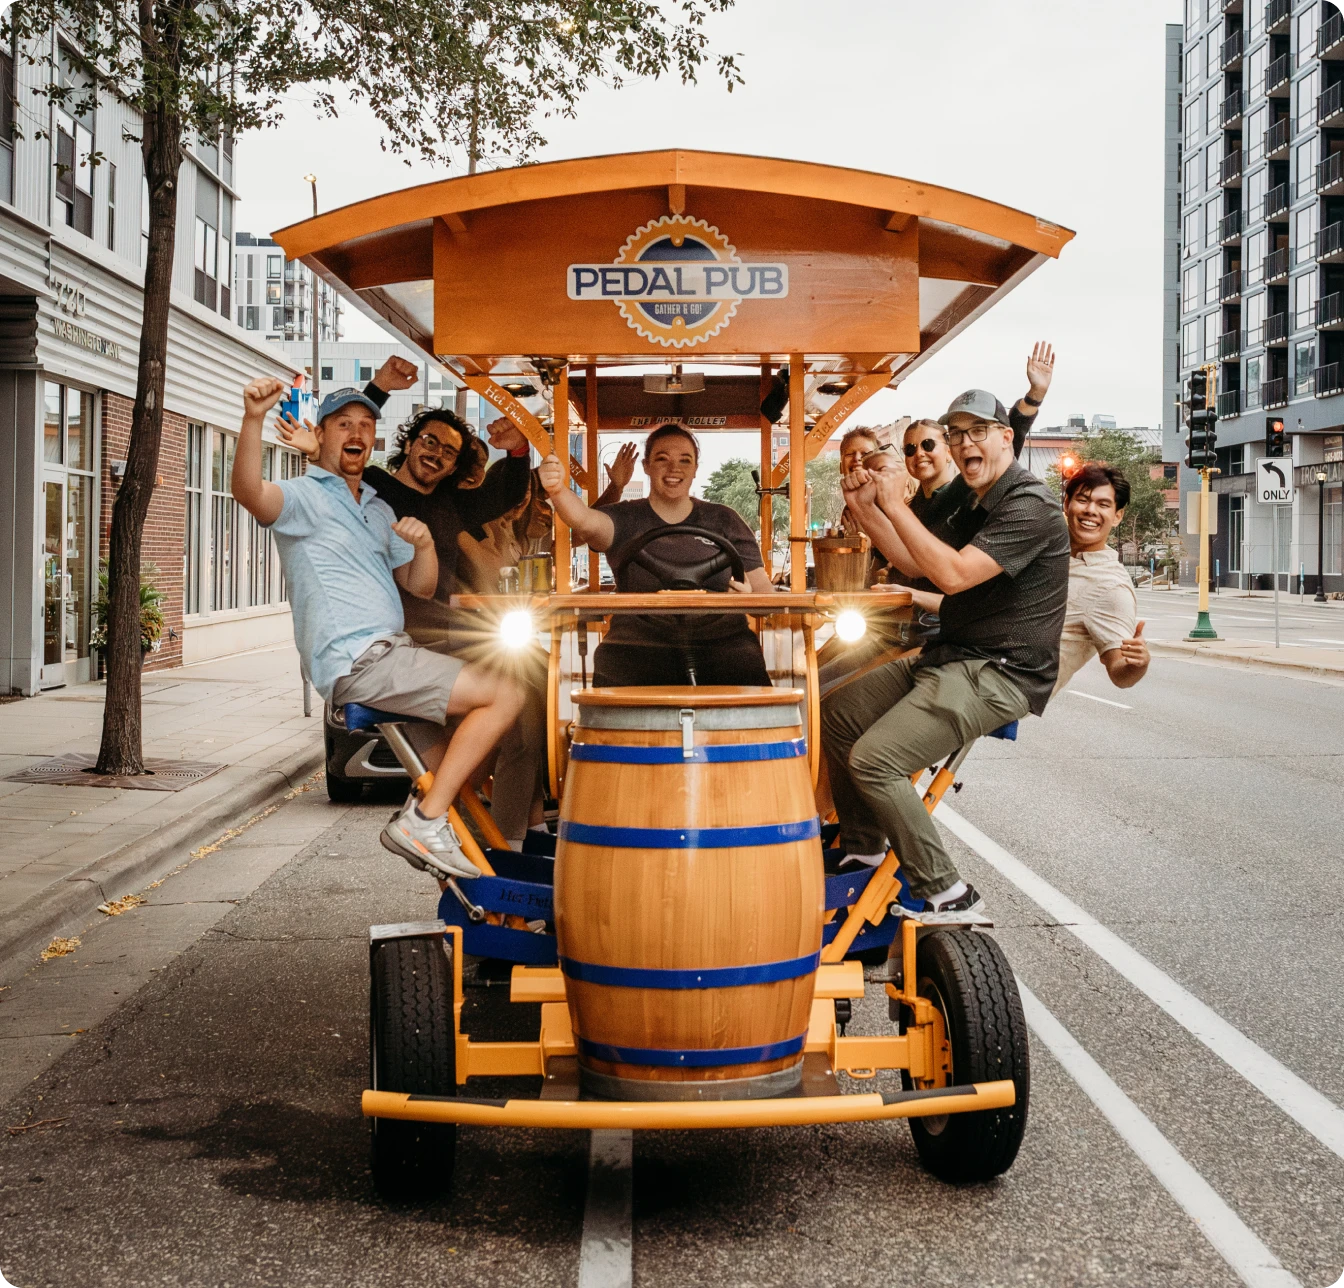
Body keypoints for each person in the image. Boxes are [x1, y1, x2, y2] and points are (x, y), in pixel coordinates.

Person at [233, 376, 524, 880]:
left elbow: (417, 582)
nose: (356, 431)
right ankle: (423, 822)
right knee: (507, 693)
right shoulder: (304, 496)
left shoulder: (376, 505)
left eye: (366, 425)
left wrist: (426, 545)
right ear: (320, 436)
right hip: (361, 658)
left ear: (374, 441)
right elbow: (250, 493)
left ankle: (476, 890)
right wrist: (253, 418)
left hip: (394, 652)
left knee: (454, 778)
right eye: (343, 423)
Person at [822, 388, 1070, 920]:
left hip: (1001, 671)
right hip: (953, 653)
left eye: (977, 431)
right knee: (835, 712)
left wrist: (890, 502)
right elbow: (912, 562)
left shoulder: (1029, 503)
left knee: (876, 760)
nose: (964, 444)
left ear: (1008, 438)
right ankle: (864, 844)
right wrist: (866, 510)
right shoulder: (973, 498)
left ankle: (946, 892)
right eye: (957, 434)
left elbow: (952, 576)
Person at [538, 423, 775, 686]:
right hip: (636, 643)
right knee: (612, 662)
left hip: (722, 641)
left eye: (685, 460)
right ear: (646, 466)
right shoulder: (624, 517)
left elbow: (766, 598)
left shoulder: (725, 519)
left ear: (695, 469)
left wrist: (745, 599)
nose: (674, 468)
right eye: (662, 459)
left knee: (745, 664)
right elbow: (584, 521)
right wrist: (558, 490)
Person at [1054, 462, 1150, 694]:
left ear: (1117, 516)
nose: (1091, 511)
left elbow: (1119, 673)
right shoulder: (1046, 546)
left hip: (1007, 687)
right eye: (1083, 499)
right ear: (1067, 504)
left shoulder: (1110, 586)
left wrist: (1137, 664)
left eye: (1103, 504)